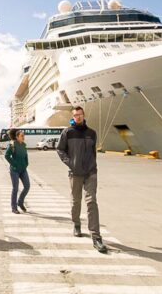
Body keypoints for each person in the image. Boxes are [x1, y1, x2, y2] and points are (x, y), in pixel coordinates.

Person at [57, 106, 107, 253]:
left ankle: (96, 237)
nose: (77, 117)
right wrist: (70, 163)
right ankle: (76, 223)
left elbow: (93, 153)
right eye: (75, 115)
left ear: (84, 115)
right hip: (75, 173)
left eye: (80, 115)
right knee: (76, 201)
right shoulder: (68, 132)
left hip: (91, 172)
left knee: (91, 201)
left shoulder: (92, 133)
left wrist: (93, 166)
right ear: (72, 117)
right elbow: (60, 149)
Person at [4, 128, 29, 214]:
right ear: (17, 137)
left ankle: (20, 202)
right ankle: (14, 207)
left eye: (23, 136)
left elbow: (26, 155)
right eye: (22, 136)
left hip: (23, 169)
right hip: (14, 170)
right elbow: (6, 155)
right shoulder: (12, 145)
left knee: (27, 186)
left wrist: (26, 163)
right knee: (15, 188)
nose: (23, 137)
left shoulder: (24, 145)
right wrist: (14, 164)